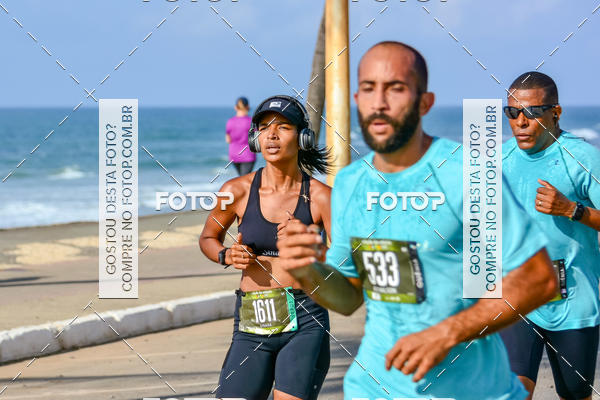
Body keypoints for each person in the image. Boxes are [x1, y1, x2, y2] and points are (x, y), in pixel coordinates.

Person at [276, 41, 559, 399]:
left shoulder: (467, 173)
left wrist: (447, 332)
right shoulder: (350, 183)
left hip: (472, 391)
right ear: (357, 99)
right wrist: (308, 271)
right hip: (375, 388)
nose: (379, 102)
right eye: (368, 89)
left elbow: (538, 279)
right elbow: (348, 297)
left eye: (395, 88)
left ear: (425, 102)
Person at [200, 95, 332, 400]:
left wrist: (311, 245)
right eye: (263, 128)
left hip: (306, 318)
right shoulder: (235, 191)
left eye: (283, 127)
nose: (271, 135)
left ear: (303, 137)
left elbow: (346, 262)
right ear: (255, 138)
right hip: (252, 320)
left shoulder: (322, 197)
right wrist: (225, 254)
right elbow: (208, 237)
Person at [499, 71, 600, 400]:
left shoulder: (583, 159)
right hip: (518, 294)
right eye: (512, 112)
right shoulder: (498, 161)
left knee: (575, 394)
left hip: (573, 300)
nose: (520, 122)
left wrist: (572, 210)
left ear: (555, 113)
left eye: (531, 112)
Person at [226, 96, 256, 176]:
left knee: (242, 179)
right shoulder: (251, 122)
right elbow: (254, 140)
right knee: (244, 180)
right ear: (248, 107)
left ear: (236, 107)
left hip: (234, 155)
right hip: (248, 156)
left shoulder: (230, 121)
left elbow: (228, 140)